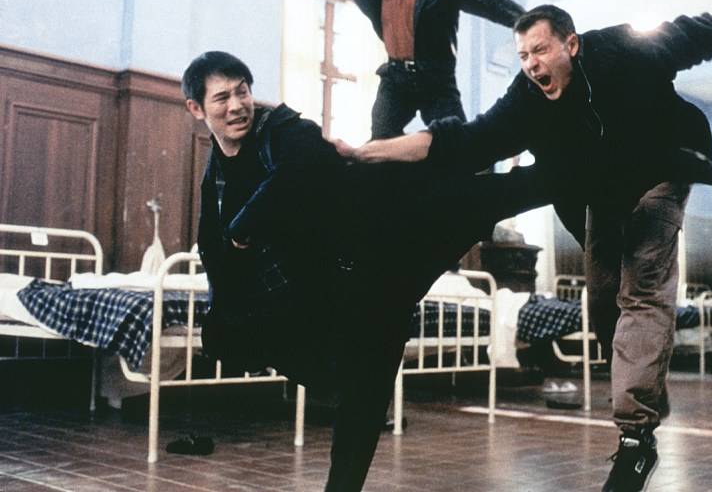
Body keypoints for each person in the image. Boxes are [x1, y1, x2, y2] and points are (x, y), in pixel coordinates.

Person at [337, 6, 712, 492]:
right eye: (523, 56)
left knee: (642, 291)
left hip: (663, 171)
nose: (532, 64)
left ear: (571, 45)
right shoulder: (526, 97)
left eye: (540, 50)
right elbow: (462, 142)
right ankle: (646, 387)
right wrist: (368, 152)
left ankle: (636, 438)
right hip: (602, 190)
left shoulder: (628, 48)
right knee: (602, 303)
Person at [182, 51, 552, 492]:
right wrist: (221, 312)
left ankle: (575, 165)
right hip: (359, 286)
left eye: (242, 92)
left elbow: (304, 164)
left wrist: (244, 228)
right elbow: (213, 246)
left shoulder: (281, 128)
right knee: (359, 392)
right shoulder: (217, 174)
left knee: (486, 196)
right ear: (197, 109)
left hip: (392, 235)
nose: (237, 105)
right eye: (222, 97)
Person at [349, 0, 524, 139]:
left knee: (455, 142)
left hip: (435, 80)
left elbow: (490, 2)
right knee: (381, 140)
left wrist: (528, 20)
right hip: (395, 77)